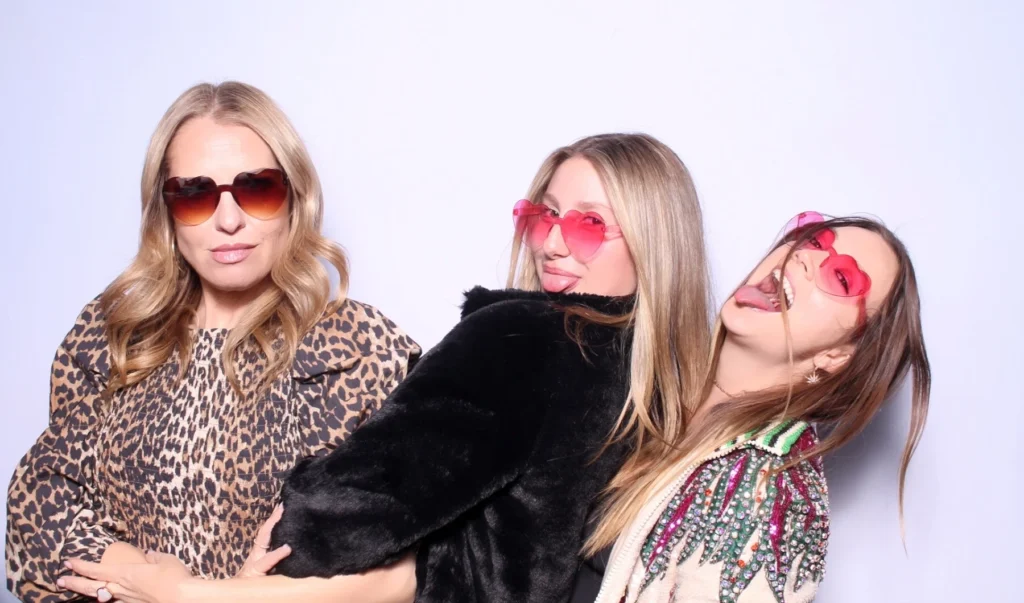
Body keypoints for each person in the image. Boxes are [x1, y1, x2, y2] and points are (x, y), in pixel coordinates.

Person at [61, 132, 714, 603]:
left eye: (591, 225)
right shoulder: (652, 379)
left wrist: (201, 584)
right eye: (543, 213)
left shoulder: (524, 337)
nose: (551, 241)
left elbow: (345, 507)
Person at [5, 81, 420, 603]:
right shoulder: (113, 333)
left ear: (295, 196)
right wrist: (148, 579)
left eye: (257, 188)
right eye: (195, 194)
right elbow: (38, 509)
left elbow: (412, 571)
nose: (228, 220)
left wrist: (192, 595)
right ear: (166, 210)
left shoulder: (363, 348)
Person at [590, 211, 931, 603]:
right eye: (812, 239)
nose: (805, 256)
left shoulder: (773, 492)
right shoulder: (649, 390)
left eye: (841, 277)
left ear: (838, 355)